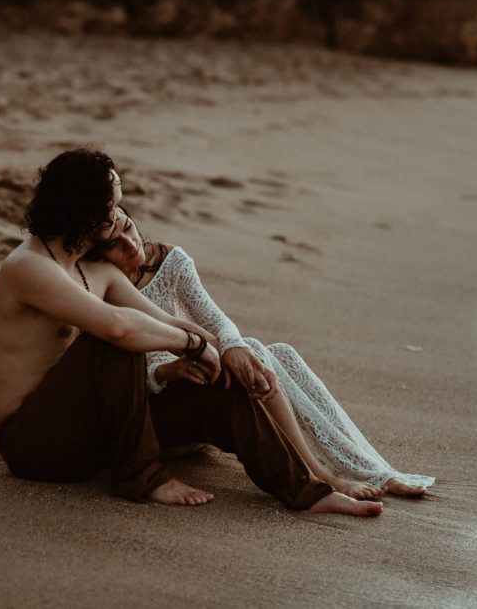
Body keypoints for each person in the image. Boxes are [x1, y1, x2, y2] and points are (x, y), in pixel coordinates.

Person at [0, 148, 381, 516]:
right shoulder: (28, 267)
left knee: (216, 391)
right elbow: (118, 327)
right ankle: (142, 476)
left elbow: (166, 322)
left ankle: (306, 490)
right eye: (113, 203)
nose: (122, 210)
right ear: (88, 214)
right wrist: (190, 344)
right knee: (114, 339)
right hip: (34, 444)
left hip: (91, 434)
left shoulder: (96, 270)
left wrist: (223, 352)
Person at [94, 206, 435, 500]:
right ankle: (318, 475)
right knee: (257, 350)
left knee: (277, 353)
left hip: (206, 389)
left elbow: (216, 320)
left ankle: (375, 469)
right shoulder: (100, 285)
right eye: (114, 244)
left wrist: (233, 346)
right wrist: (165, 372)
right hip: (162, 416)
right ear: (96, 253)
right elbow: (115, 377)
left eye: (128, 227)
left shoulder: (171, 261)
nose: (130, 243)